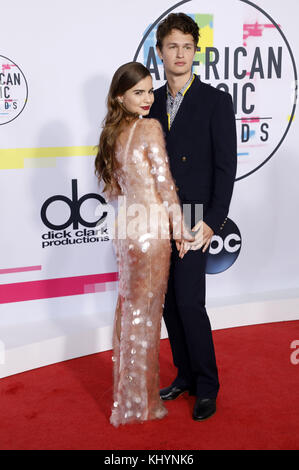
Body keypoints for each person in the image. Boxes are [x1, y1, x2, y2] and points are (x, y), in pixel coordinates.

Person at [148, 13, 237, 421]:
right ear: (160, 51)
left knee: (189, 301)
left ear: (195, 52)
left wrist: (212, 220)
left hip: (195, 214)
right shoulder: (148, 103)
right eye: (172, 46)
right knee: (167, 303)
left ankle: (206, 385)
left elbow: (225, 167)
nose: (179, 53)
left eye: (187, 46)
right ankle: (183, 374)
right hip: (157, 216)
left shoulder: (215, 101)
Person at [94, 62, 194, 427]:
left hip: (125, 230)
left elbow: (115, 190)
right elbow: (165, 185)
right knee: (146, 319)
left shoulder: (112, 133)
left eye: (151, 91)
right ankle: (141, 405)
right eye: (139, 92)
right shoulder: (150, 128)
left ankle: (130, 397)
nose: (148, 98)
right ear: (121, 96)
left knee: (128, 313)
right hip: (150, 232)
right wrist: (181, 230)